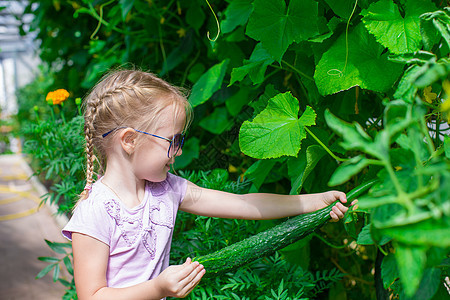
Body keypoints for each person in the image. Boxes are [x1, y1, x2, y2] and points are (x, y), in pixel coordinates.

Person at [62, 69, 355, 300]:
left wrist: (310, 203)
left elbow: (242, 204)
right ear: (129, 140)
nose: (178, 151)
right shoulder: (95, 211)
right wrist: (158, 288)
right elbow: (93, 295)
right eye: (173, 140)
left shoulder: (168, 190)